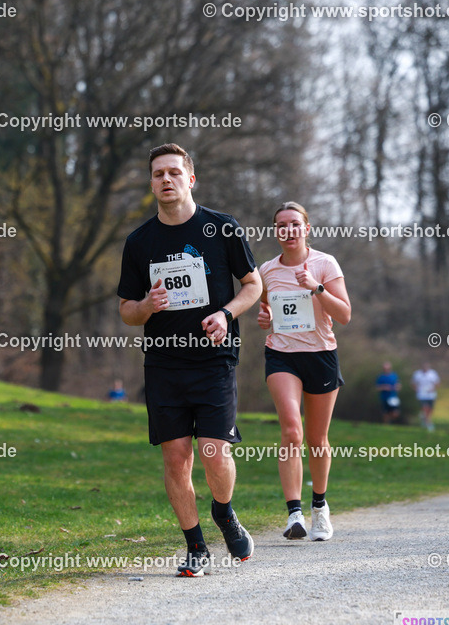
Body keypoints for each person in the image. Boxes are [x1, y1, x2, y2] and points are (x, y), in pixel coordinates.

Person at [117, 143, 262, 577]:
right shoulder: (139, 241)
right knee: (176, 457)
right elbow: (126, 311)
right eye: (158, 173)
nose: (166, 179)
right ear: (151, 183)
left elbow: (253, 285)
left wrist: (225, 313)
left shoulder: (222, 228)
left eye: (174, 172)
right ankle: (195, 545)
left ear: (190, 178)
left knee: (215, 452)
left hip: (214, 360)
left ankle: (224, 512)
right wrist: (147, 305)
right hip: (163, 364)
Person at [257, 202, 351, 542]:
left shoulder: (325, 264)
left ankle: (320, 508)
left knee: (317, 439)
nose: (288, 230)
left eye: (295, 224)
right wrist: (265, 319)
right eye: (281, 224)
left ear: (306, 228)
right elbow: (266, 309)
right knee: (291, 431)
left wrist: (316, 286)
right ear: (276, 231)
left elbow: (344, 315)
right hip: (282, 355)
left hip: (321, 355)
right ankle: (293, 513)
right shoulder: (267, 269)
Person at [411, 363, 440, 431]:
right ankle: (429, 424)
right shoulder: (417, 374)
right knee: (425, 408)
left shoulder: (433, 374)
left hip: (431, 395)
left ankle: (425, 419)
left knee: (430, 410)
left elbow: (437, 383)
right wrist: (416, 390)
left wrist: (433, 389)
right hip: (422, 395)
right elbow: (413, 383)